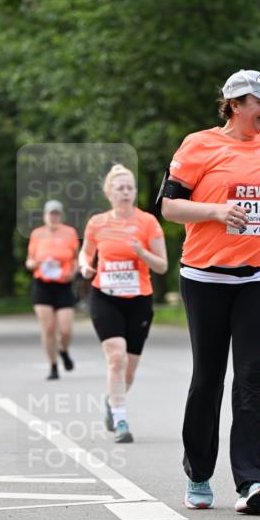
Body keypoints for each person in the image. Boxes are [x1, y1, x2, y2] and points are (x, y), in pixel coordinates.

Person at [160, 69, 260, 514]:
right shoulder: (198, 144)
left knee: (252, 377)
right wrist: (215, 211)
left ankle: (252, 481)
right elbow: (168, 205)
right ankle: (199, 474)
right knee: (207, 378)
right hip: (205, 276)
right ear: (235, 104)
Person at [78, 165, 168, 443]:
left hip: (139, 299)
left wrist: (142, 252)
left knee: (128, 370)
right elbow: (85, 253)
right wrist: (84, 267)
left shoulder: (147, 223)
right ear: (109, 193)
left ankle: (112, 400)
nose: (126, 192)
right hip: (105, 296)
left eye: (130, 187)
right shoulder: (97, 223)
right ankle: (120, 419)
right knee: (115, 356)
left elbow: (162, 265)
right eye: (120, 188)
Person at [26, 199, 79, 380]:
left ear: (60, 215)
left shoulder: (70, 233)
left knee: (65, 330)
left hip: (63, 284)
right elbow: (29, 261)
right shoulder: (37, 234)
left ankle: (63, 350)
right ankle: (53, 366)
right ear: (45, 216)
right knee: (48, 329)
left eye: (56, 213)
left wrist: (72, 273)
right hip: (43, 285)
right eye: (51, 213)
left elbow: (76, 260)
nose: (53, 217)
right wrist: (40, 262)